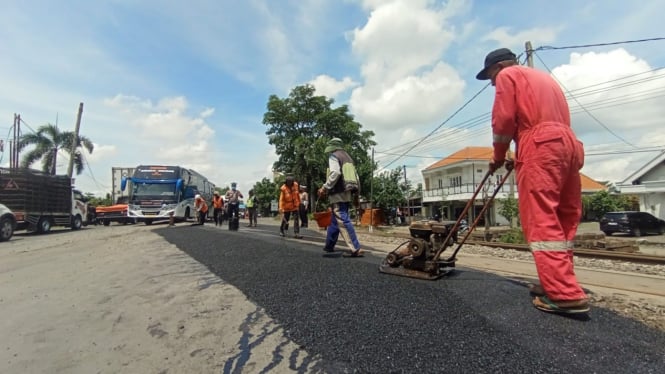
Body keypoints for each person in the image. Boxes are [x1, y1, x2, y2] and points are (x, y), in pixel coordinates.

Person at [477, 48, 589, 314]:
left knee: (540, 219)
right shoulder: (546, 79)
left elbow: (503, 120)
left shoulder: (509, 75)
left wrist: (498, 155)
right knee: (565, 217)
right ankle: (557, 281)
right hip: (569, 145)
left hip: (539, 143)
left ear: (500, 66)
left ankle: (563, 295)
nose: (492, 82)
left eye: (491, 75)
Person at [318, 138, 363, 257]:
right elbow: (356, 177)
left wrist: (324, 187)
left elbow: (336, 173)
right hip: (347, 192)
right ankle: (329, 245)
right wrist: (357, 195)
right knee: (335, 220)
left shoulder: (334, 156)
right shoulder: (348, 158)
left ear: (332, 147)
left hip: (337, 192)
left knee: (342, 219)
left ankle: (355, 248)